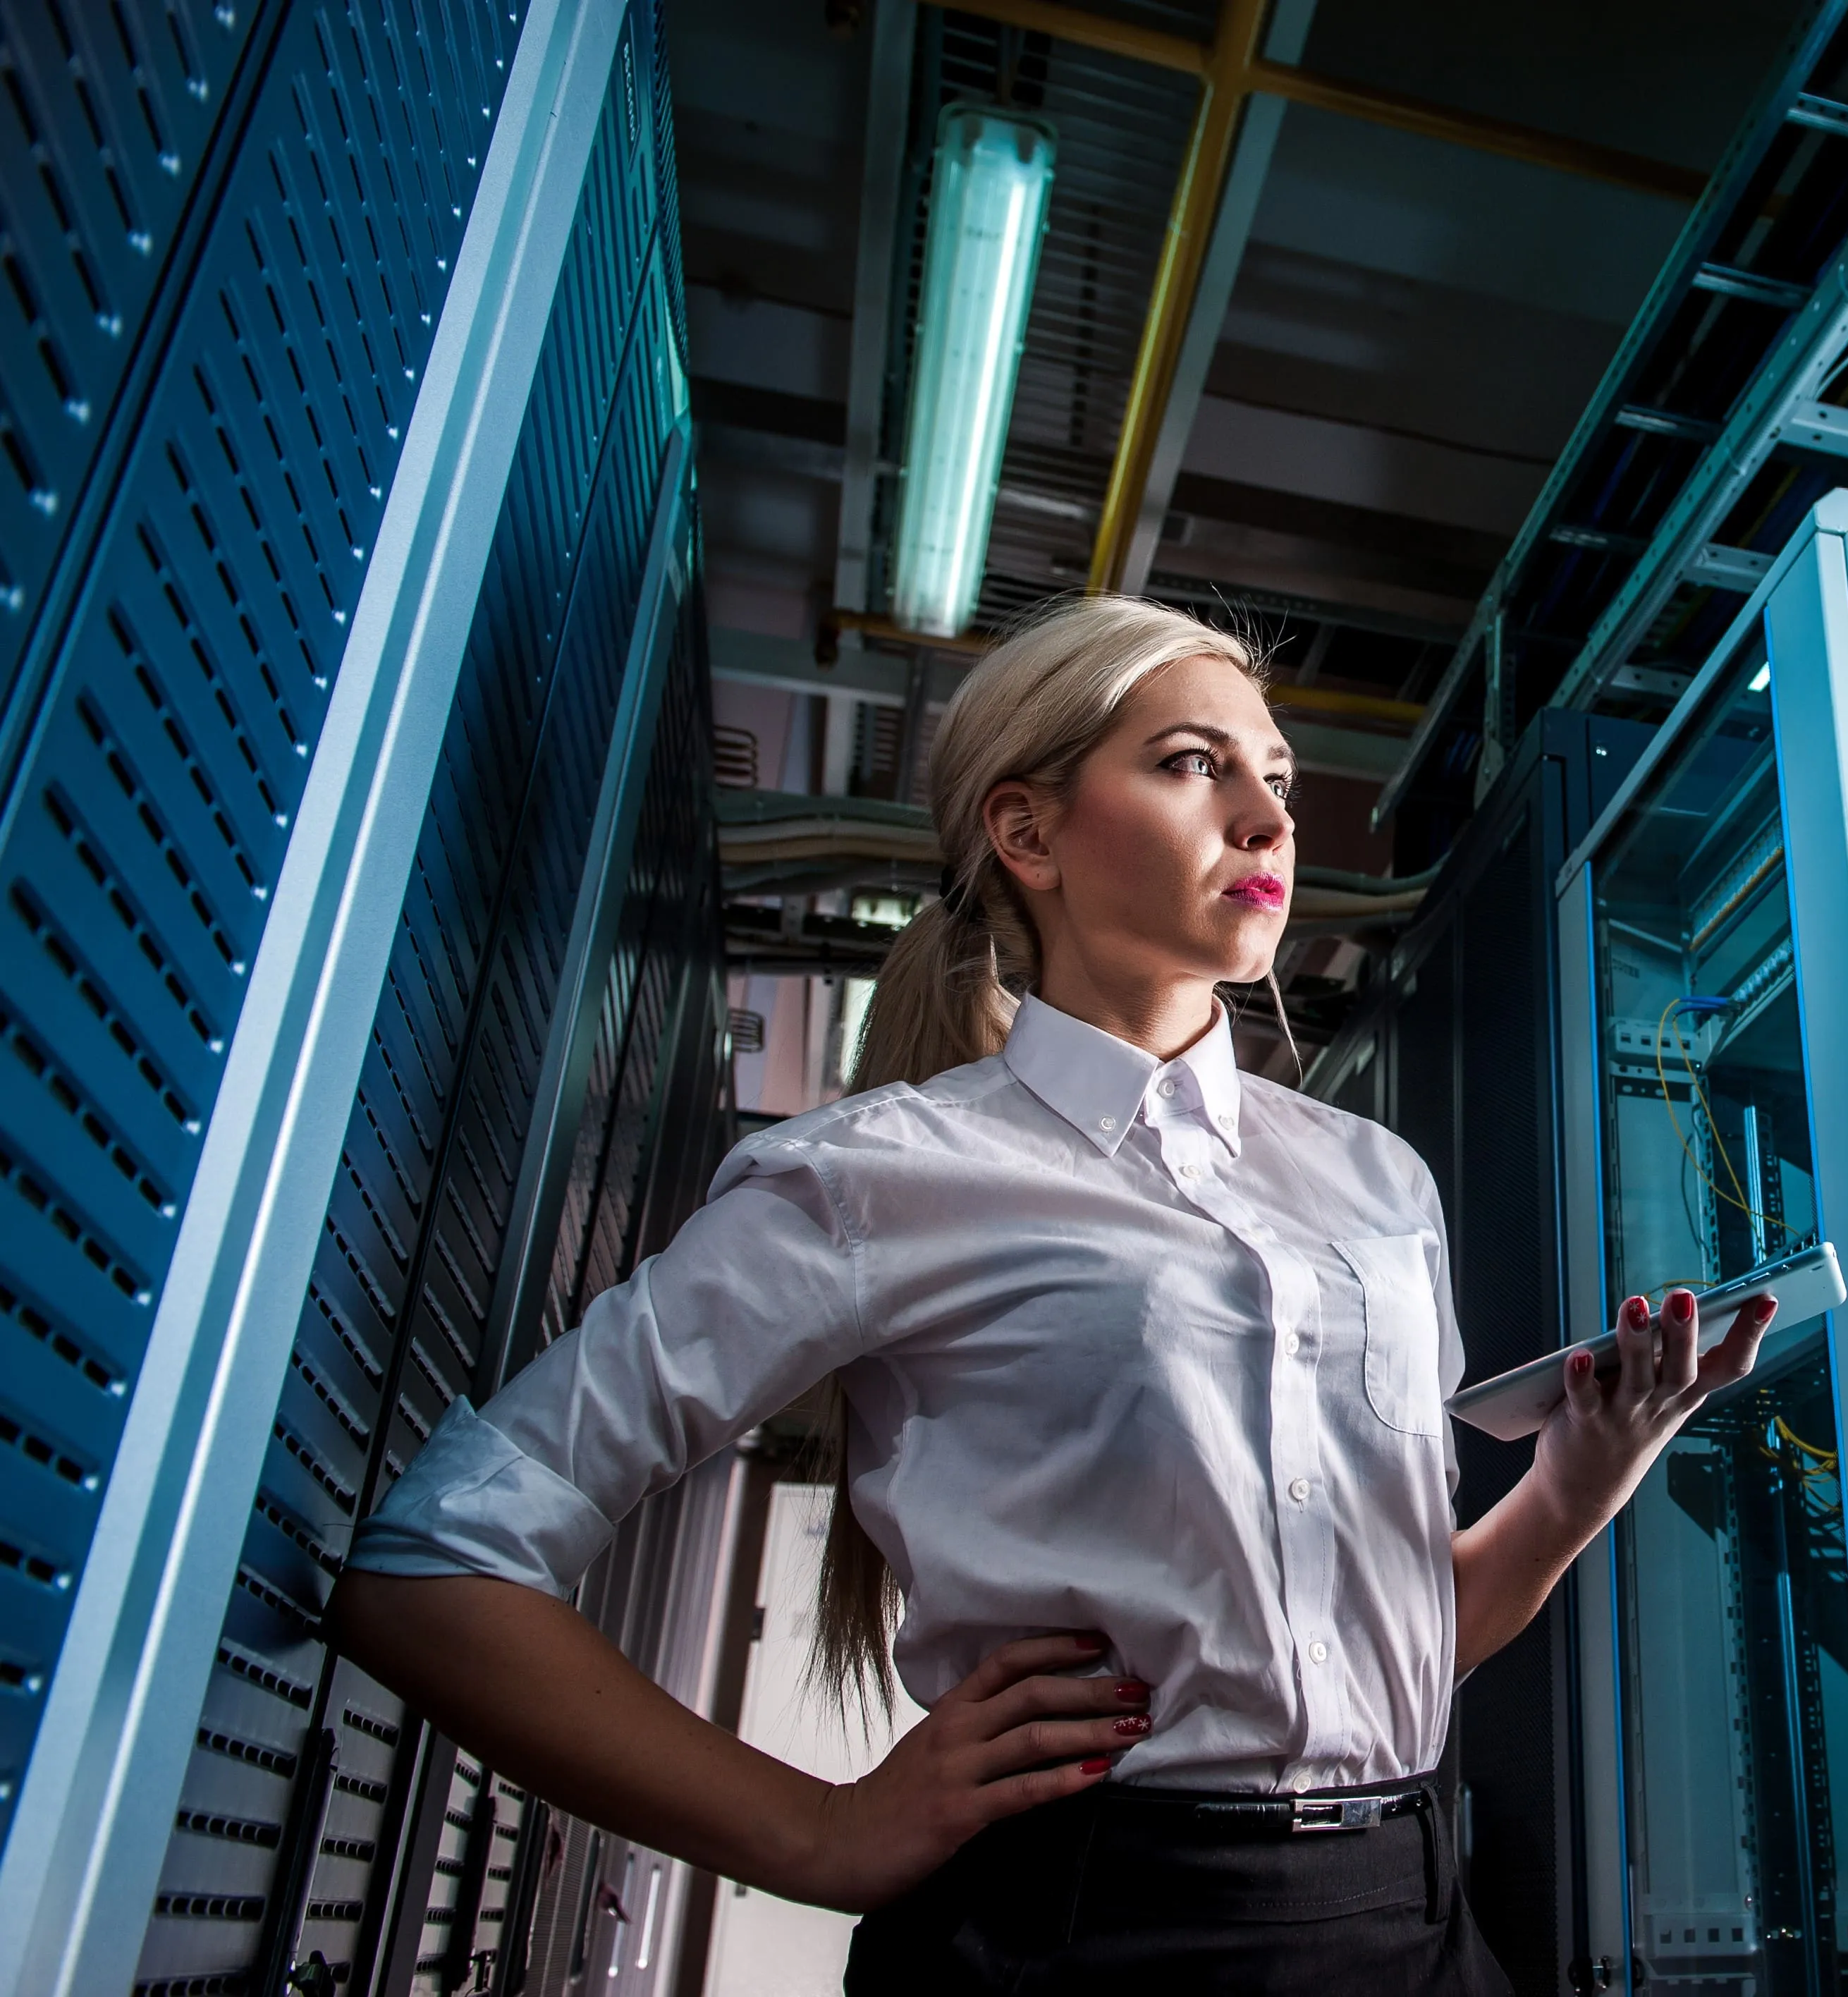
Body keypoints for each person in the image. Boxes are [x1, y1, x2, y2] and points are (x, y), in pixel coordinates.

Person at [329, 594, 1775, 1993]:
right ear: (1025, 832)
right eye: (1193, 766)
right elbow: (435, 1568)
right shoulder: (870, 1177)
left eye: (1272, 777)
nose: (1270, 819)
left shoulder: (1374, 1180)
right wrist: (815, 1832)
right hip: (1081, 1933)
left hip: (1412, 1913)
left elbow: (1382, 1649)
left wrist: (1577, 1486)